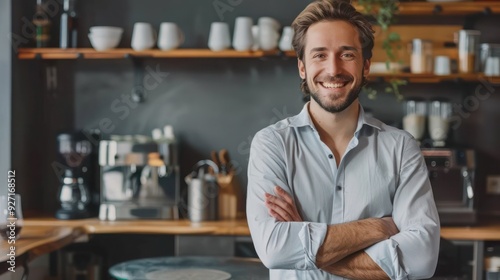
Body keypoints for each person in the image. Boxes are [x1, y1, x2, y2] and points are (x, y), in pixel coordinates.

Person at [246, 0, 440, 279]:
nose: (333, 69)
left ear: (366, 66)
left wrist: (304, 240)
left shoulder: (400, 147)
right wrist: (378, 228)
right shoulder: (272, 144)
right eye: (319, 55)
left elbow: (422, 259)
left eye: (347, 54)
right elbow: (274, 250)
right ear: (302, 67)